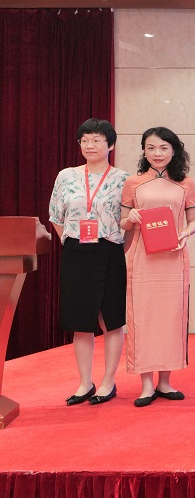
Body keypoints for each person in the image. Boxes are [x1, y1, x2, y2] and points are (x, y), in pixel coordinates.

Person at [48, 119, 129, 406]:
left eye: (96, 140)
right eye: (84, 140)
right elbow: (55, 216)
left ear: (111, 144)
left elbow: (128, 223)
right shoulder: (66, 176)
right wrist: (70, 240)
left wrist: (118, 246)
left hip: (109, 251)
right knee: (80, 321)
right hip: (76, 253)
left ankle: (108, 382)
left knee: (111, 320)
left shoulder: (124, 179)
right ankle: (85, 383)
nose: (89, 145)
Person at [120, 127, 195, 407]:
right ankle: (145, 385)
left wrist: (185, 233)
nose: (157, 153)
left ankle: (165, 382)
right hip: (142, 259)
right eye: (151, 148)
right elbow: (123, 222)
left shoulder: (186, 183)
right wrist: (131, 218)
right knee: (143, 318)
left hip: (173, 259)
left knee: (170, 318)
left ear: (174, 150)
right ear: (143, 150)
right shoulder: (133, 183)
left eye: (164, 148)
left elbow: (194, 221)